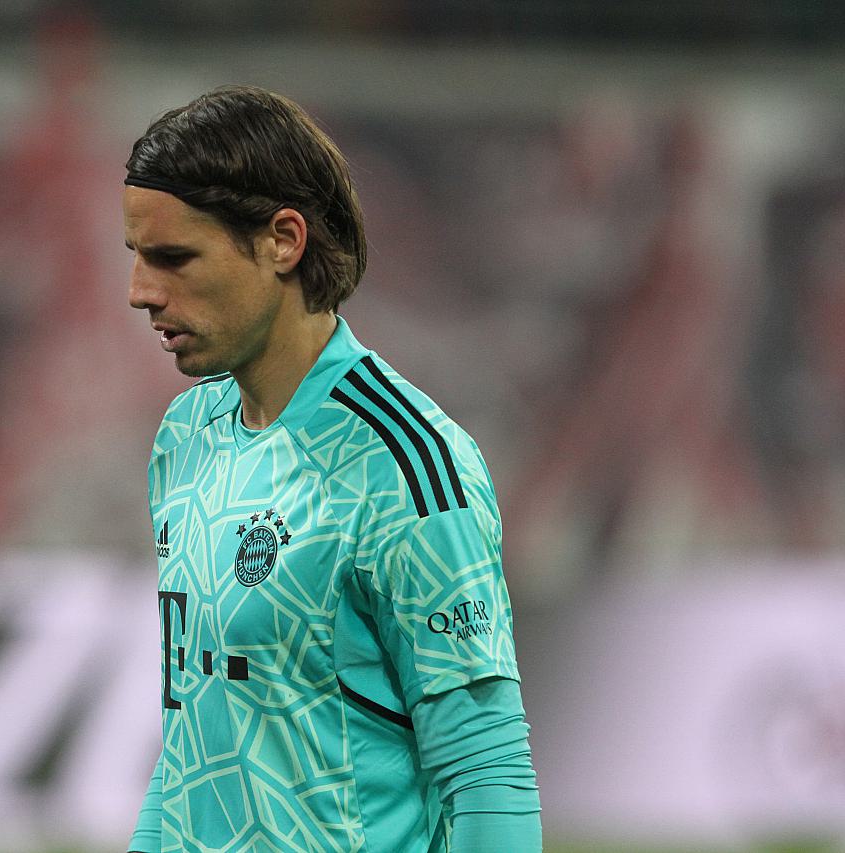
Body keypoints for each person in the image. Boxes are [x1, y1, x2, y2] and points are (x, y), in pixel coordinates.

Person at [122, 85, 541, 853]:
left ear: (284, 240)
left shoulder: (406, 463)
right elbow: (195, 739)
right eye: (137, 257)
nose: (140, 292)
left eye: (173, 257)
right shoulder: (187, 436)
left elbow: (487, 773)